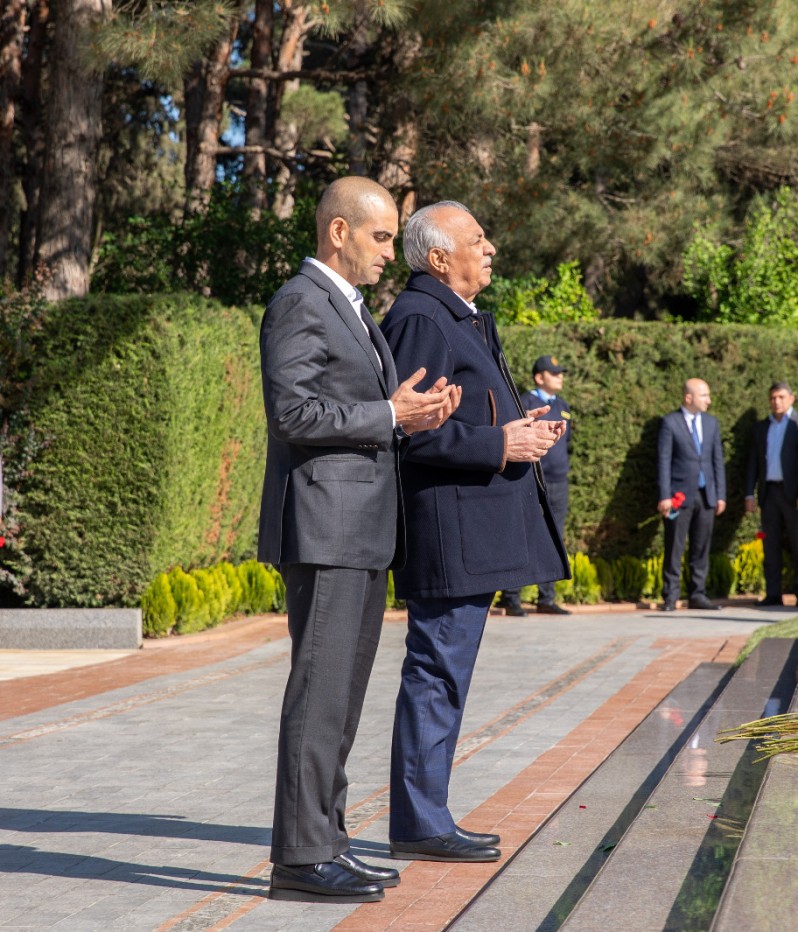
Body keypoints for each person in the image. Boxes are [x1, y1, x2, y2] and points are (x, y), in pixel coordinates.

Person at [258, 178, 460, 902]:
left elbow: (355, 411)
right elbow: (294, 413)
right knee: (319, 696)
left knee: (340, 698)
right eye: (380, 238)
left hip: (359, 531)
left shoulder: (349, 309)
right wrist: (386, 414)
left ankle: (329, 838)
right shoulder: (299, 302)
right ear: (338, 232)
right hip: (325, 530)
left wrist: (415, 416)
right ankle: (301, 857)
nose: (389, 252)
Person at [379, 200, 567, 863]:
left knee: (445, 674)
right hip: (447, 534)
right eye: (477, 240)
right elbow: (408, 430)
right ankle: (420, 822)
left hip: (468, 532)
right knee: (436, 673)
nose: (489, 250)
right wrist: (499, 444)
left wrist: (520, 431)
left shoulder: (450, 316)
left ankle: (425, 814)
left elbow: (458, 415)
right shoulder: (421, 318)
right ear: (439, 258)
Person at [500, 355, 574, 617]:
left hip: (558, 482)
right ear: (539, 377)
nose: (560, 376)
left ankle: (547, 598)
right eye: (554, 373)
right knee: (521, 535)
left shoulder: (563, 405)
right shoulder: (525, 402)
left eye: (560, 372)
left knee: (555, 538)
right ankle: (511, 598)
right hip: (529, 479)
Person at [657, 379, 727, 611]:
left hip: (706, 495)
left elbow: (717, 460)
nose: (709, 400)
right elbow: (664, 461)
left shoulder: (711, 423)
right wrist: (665, 495)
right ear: (689, 397)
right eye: (704, 395)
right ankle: (670, 596)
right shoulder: (670, 422)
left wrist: (720, 495)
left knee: (701, 547)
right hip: (679, 496)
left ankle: (697, 594)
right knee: (674, 547)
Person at [744, 382, 798, 607]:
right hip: (769, 492)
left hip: (794, 493)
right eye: (773, 398)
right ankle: (773, 593)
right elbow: (753, 461)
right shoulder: (762, 427)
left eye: (781, 397)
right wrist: (748, 494)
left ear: (792, 398)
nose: (776, 402)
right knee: (770, 545)